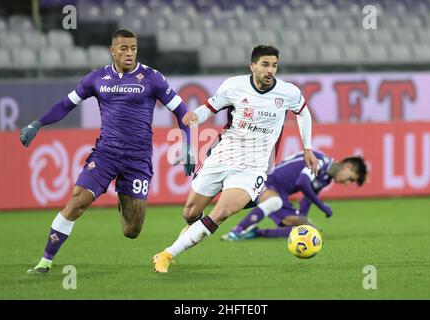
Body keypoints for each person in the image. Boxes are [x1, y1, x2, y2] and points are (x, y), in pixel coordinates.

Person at [20, 29, 195, 274]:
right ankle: (44, 262)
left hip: (137, 160)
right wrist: (37, 123)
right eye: (123, 48)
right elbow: (65, 105)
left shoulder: (152, 78)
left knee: (131, 231)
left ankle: (122, 196)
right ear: (112, 50)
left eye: (133, 48)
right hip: (105, 154)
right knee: (77, 202)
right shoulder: (96, 79)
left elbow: (182, 111)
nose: (129, 53)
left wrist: (188, 143)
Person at [152, 45, 319, 273]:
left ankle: (167, 254)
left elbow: (304, 112)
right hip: (222, 157)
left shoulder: (288, 92)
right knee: (190, 213)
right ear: (252, 66)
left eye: (274, 65)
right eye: (265, 65)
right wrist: (194, 117)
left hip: (252, 168)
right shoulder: (234, 86)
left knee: (221, 213)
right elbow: (209, 109)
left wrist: (307, 147)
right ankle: (187, 237)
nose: (270, 70)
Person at [221, 151, 368, 241]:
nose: (348, 183)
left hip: (281, 193)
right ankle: (236, 231)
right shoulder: (322, 162)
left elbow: (308, 198)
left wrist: (302, 219)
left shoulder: (326, 179)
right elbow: (303, 182)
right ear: (348, 166)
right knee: (274, 202)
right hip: (269, 181)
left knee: (309, 230)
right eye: (351, 178)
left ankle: (255, 233)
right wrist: (323, 206)